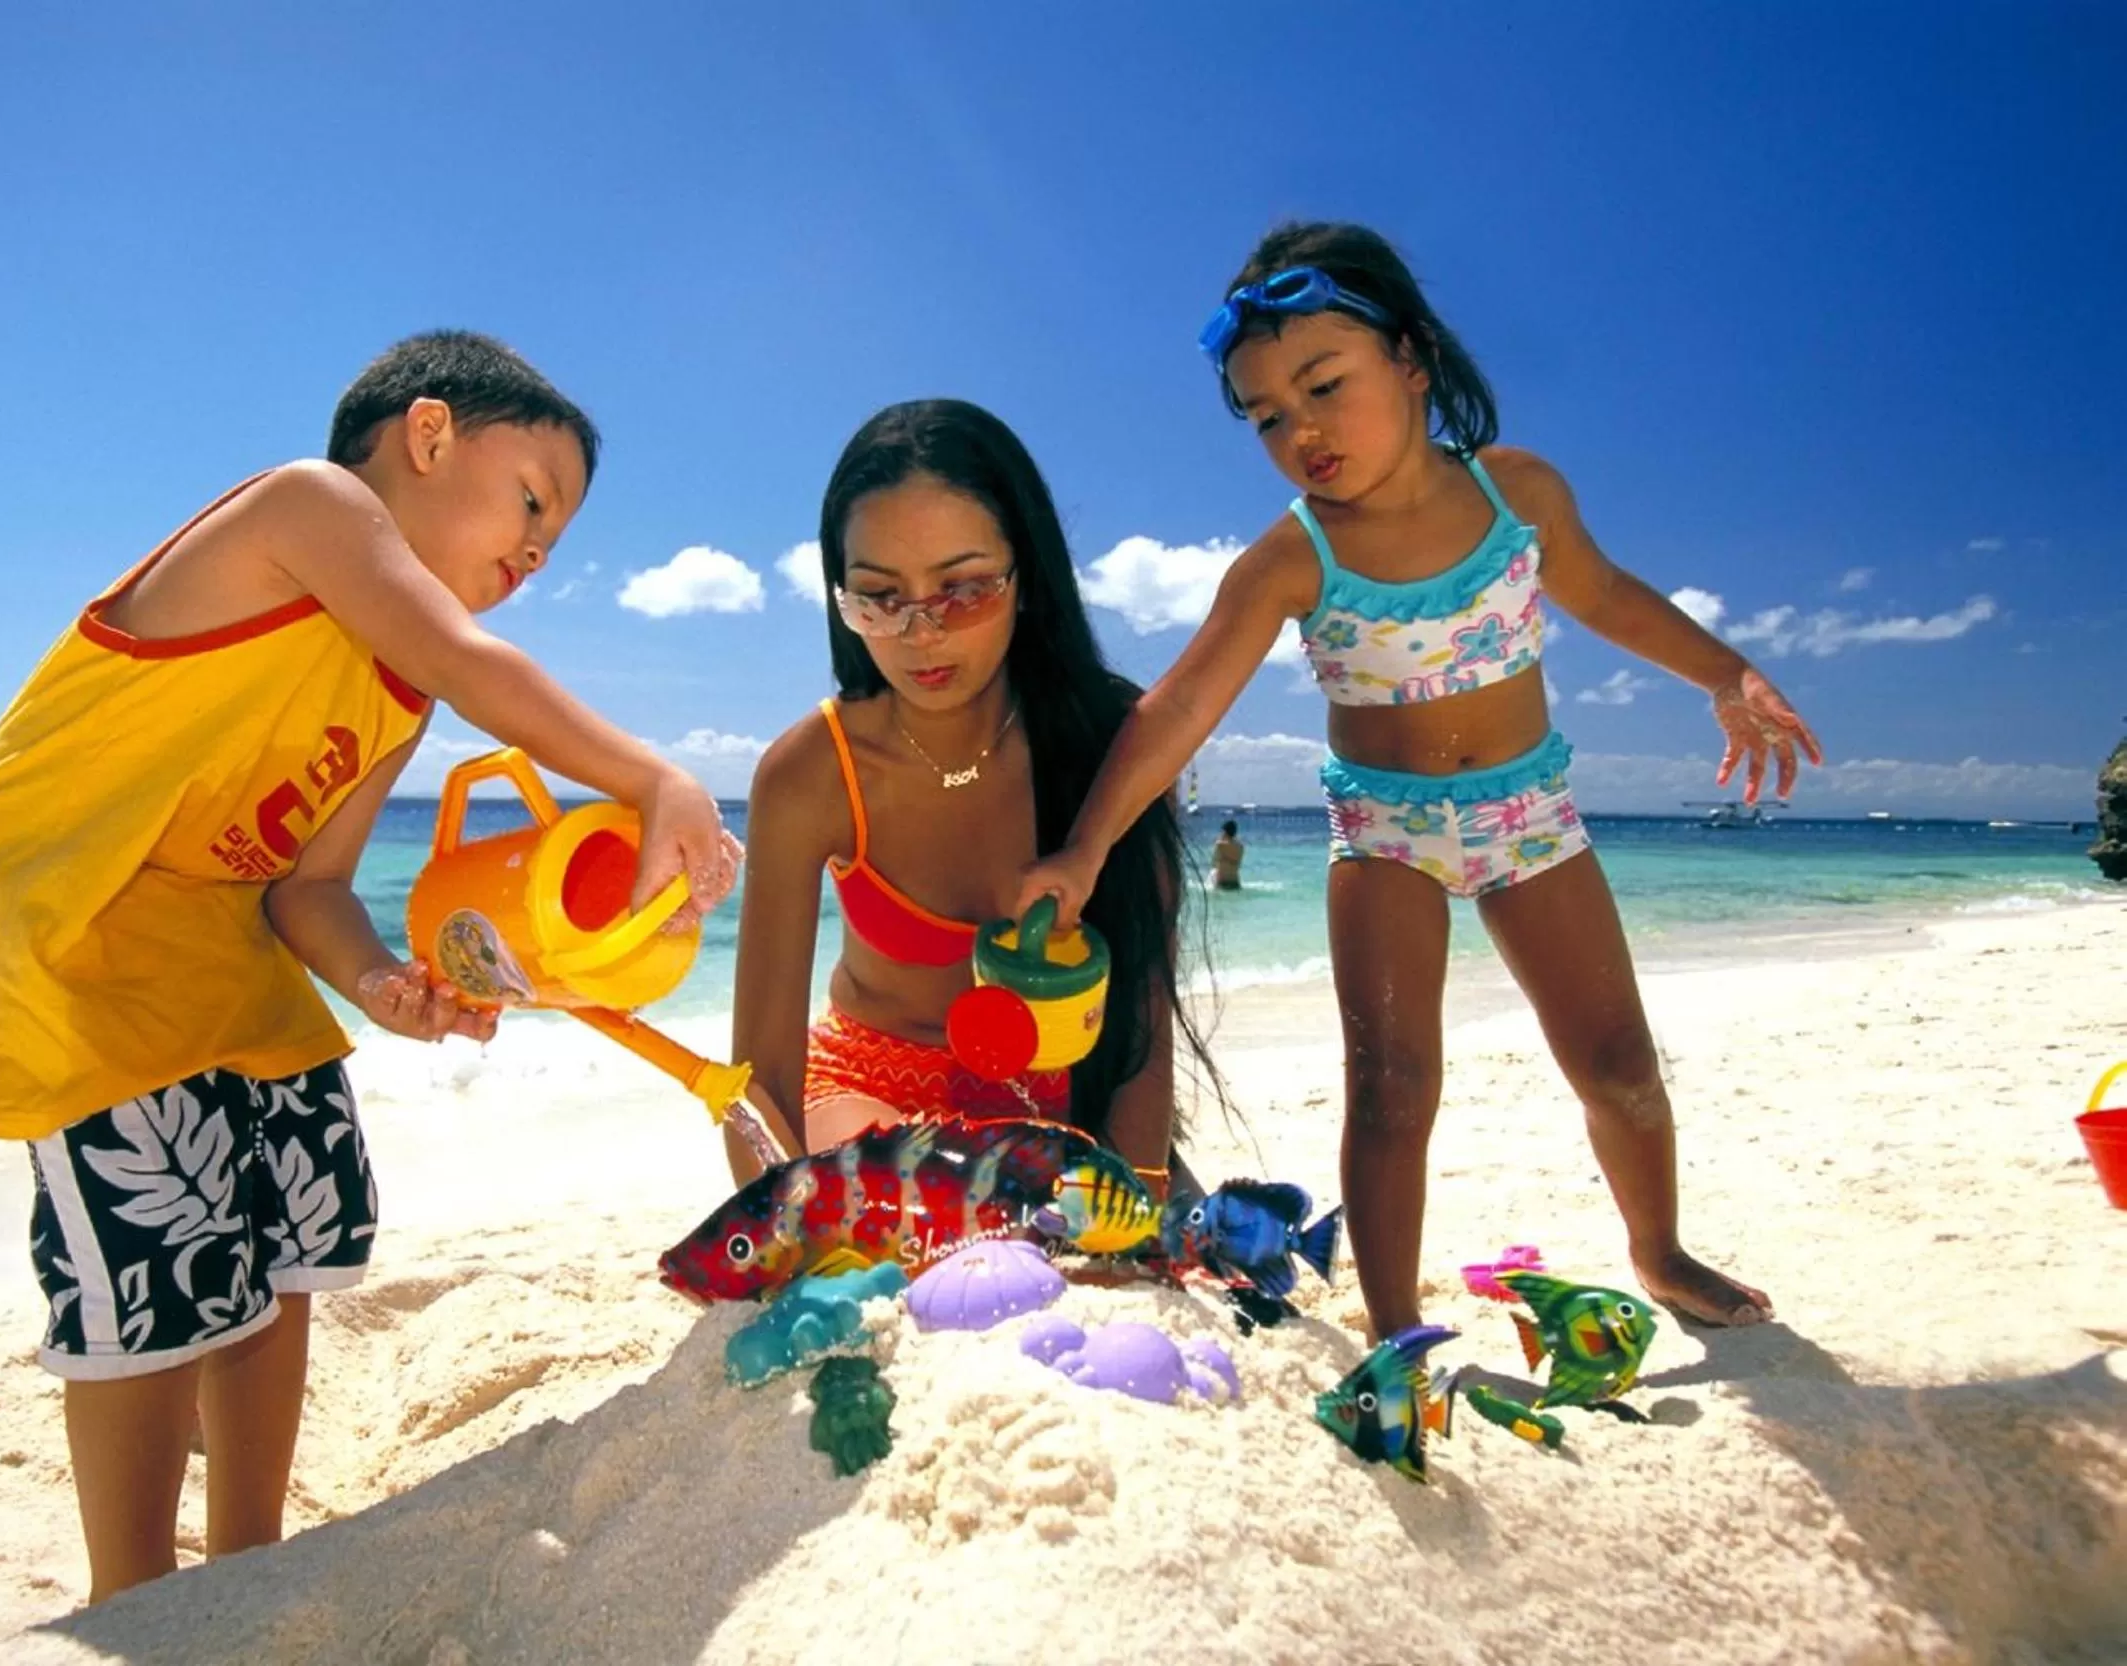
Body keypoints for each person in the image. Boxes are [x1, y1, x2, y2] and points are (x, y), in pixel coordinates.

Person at [0, 331, 740, 1603]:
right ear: (429, 435)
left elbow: (309, 885)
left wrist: (384, 981)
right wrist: (655, 776)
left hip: (220, 938)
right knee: (158, 1271)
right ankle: (135, 1595)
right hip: (81, 931)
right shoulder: (309, 507)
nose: (537, 554)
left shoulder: (394, 687)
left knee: (290, 1229)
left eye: (555, 541)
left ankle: (247, 1559)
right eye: (532, 502)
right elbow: (473, 663)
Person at [1014, 223, 1822, 1338]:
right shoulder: (1292, 559)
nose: (1301, 431)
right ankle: (1394, 1328)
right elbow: (1181, 708)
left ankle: (1661, 1250)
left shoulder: (1517, 493)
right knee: (1391, 1086)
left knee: (1618, 1063)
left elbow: (1605, 594)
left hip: (1529, 814)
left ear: (1410, 357)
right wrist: (1086, 846)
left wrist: (1724, 674)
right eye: (1266, 416)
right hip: (1384, 831)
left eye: (1323, 386)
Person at [730, 399, 1216, 1198]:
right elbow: (762, 1080)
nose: (921, 632)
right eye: (878, 596)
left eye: (962, 588)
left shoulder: (1115, 746)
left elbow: (1140, 1028)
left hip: (1065, 1107)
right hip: (868, 1097)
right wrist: (786, 1228)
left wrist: (1136, 1200)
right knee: (912, 1217)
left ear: (1026, 580)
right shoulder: (811, 773)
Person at [1211, 819, 1246, 890]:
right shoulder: (1241, 846)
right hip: (1235, 883)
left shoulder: (1219, 845)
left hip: (1222, 882)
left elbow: (1213, 862)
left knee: (1212, 872)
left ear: (1225, 832)